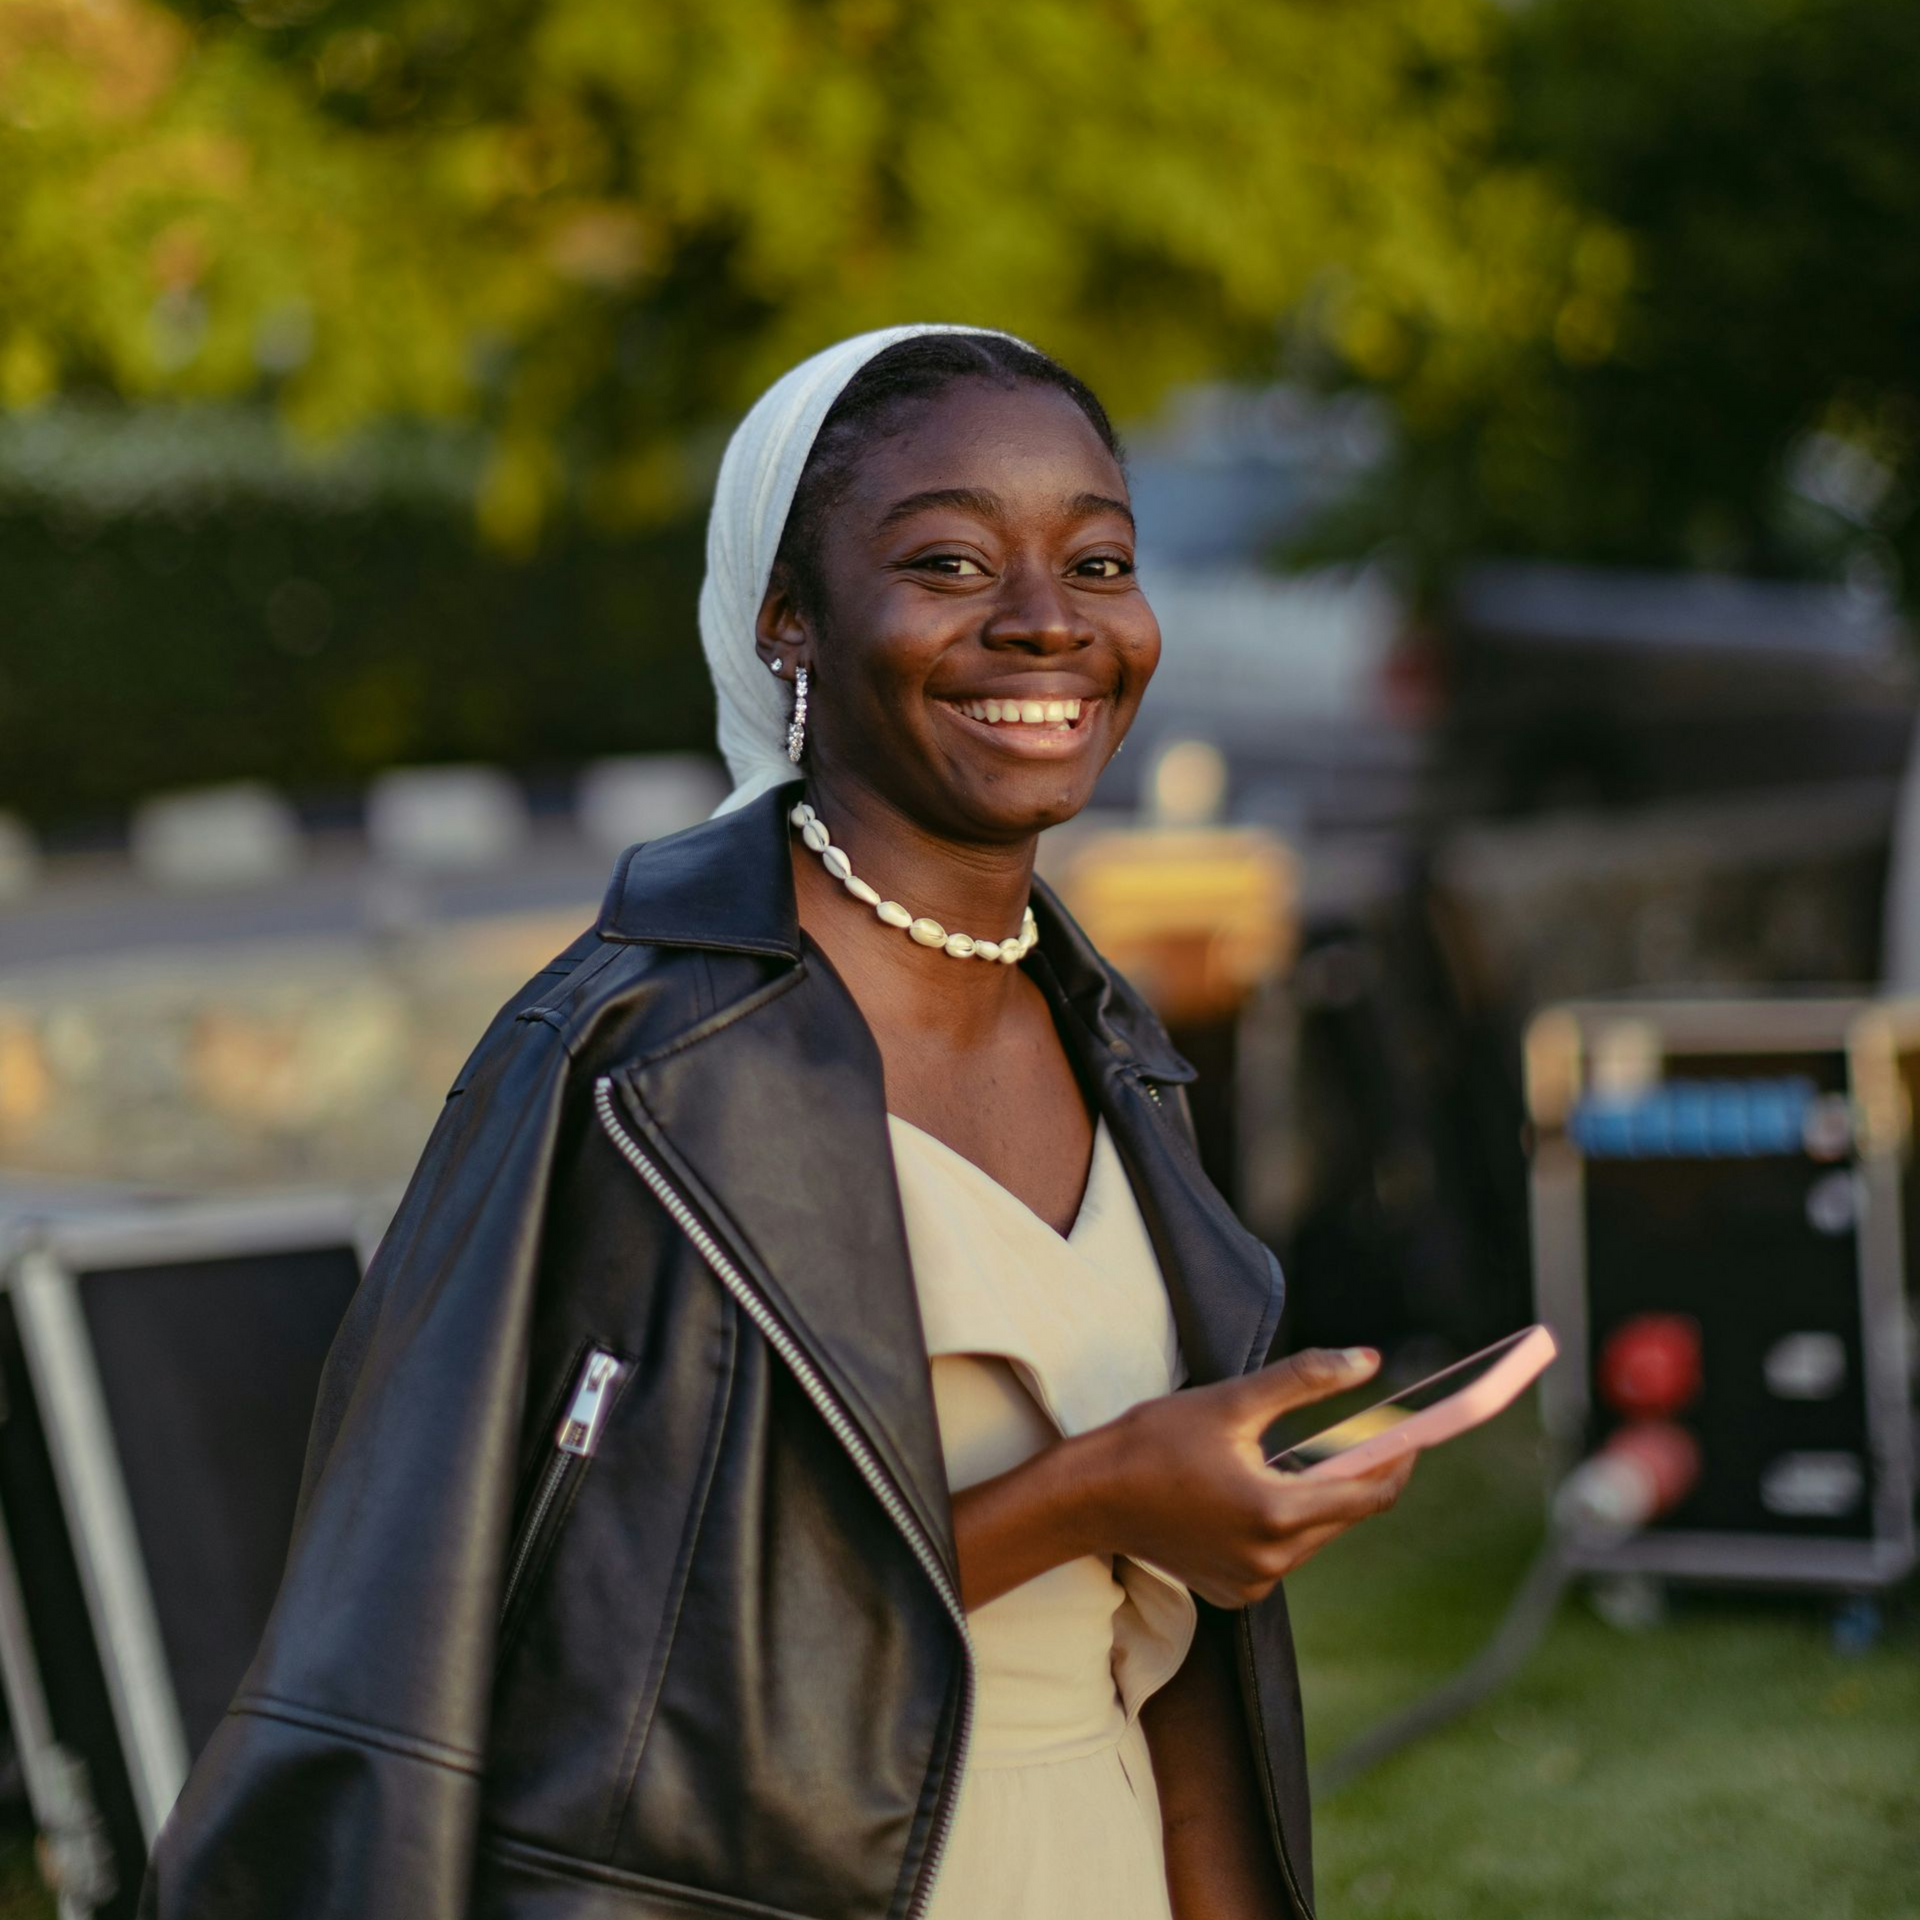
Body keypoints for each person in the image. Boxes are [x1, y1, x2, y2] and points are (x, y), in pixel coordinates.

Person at [141, 325, 1413, 1920]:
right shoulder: (623, 1060)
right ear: (788, 623)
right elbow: (564, 1657)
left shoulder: (1119, 1055)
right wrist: (1093, 1496)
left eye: (1097, 562)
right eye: (949, 560)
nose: (1045, 623)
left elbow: (1176, 1689)